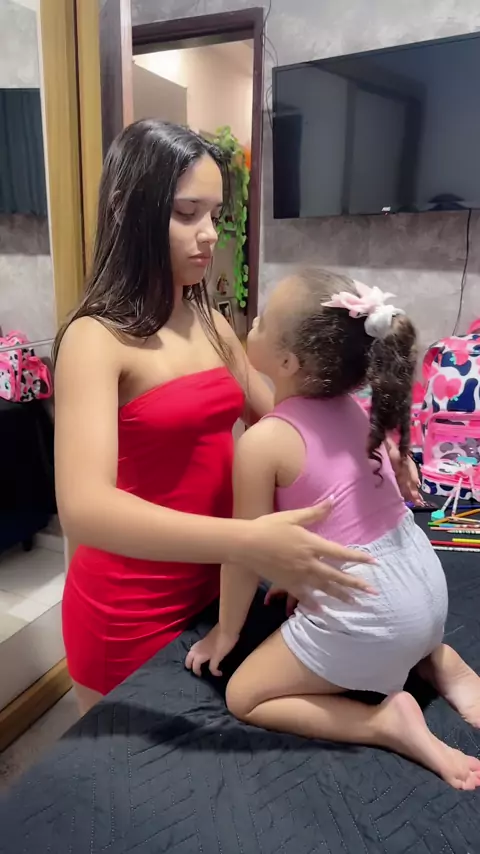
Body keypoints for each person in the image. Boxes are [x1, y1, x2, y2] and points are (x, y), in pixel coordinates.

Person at [55, 122, 381, 716]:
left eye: (215, 214)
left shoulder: (209, 320)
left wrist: (376, 449)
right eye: (187, 213)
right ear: (128, 210)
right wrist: (251, 539)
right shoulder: (94, 339)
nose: (210, 234)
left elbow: (288, 423)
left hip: (217, 593)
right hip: (127, 612)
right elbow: (84, 507)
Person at [186, 270, 480, 790]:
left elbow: (245, 552)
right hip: (426, 587)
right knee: (393, 628)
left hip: (375, 614)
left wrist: (226, 632)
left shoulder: (264, 442)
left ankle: (383, 721)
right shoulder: (359, 411)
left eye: (261, 321)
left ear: (287, 363)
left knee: (245, 696)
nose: (252, 322)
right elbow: (344, 520)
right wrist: (301, 580)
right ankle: (435, 658)